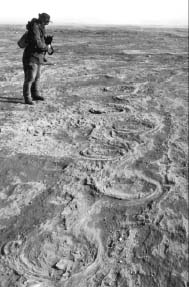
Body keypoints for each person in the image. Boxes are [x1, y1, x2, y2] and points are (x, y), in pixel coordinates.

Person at [22, 13, 52, 105]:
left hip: (38, 57)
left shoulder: (41, 27)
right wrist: (46, 47)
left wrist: (47, 43)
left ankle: (35, 94)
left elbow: (41, 42)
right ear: (42, 20)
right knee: (30, 78)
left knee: (37, 77)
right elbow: (37, 43)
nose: (47, 23)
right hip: (31, 56)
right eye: (46, 21)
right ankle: (27, 97)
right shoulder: (35, 27)